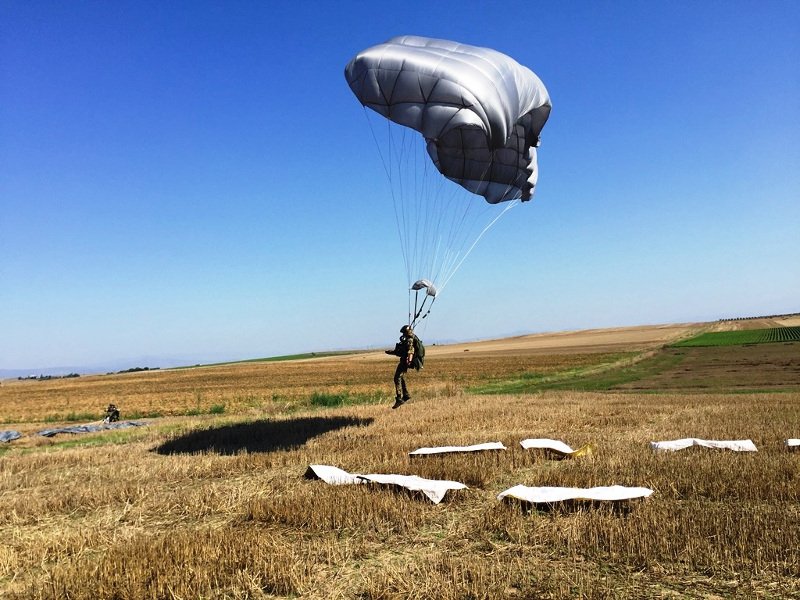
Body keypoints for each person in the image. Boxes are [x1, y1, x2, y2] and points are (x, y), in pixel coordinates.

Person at [386, 325, 416, 409]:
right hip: (403, 361)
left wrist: (409, 360)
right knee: (400, 377)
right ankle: (406, 394)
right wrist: (391, 352)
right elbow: (401, 352)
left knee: (397, 378)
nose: (402, 334)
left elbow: (411, 351)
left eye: (403, 333)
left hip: (405, 362)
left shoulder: (410, 340)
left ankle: (399, 398)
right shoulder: (406, 340)